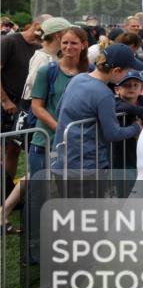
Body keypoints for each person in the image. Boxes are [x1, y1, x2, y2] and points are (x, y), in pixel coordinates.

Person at [51, 44, 143, 172]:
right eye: (127, 72)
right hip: (88, 166)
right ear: (116, 71)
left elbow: (59, 110)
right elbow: (113, 133)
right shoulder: (104, 94)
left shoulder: (77, 79)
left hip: (62, 160)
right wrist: (136, 127)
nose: (128, 75)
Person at [28, 26, 89, 177]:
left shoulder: (90, 72)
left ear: (84, 44)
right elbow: (36, 107)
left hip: (76, 146)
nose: (68, 47)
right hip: (45, 142)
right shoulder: (47, 71)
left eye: (74, 43)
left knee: (67, 194)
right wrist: (61, 129)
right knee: (39, 194)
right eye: (65, 42)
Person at [1, 15, 44, 179]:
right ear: (35, 25)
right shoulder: (9, 41)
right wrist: (5, 101)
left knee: (14, 147)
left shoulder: (38, 47)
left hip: (23, 106)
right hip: (6, 103)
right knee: (5, 148)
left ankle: (7, 191)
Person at [112, 70, 143, 170]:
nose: (132, 88)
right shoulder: (115, 102)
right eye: (127, 85)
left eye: (136, 85)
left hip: (141, 155)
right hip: (121, 157)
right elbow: (124, 107)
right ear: (117, 89)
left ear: (141, 88)